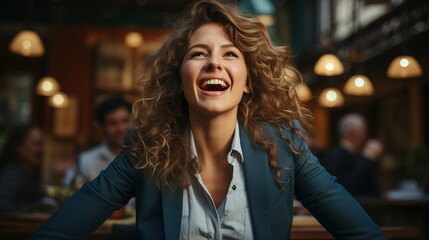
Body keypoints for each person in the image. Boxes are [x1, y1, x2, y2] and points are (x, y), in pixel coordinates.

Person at [32, 0, 386, 239]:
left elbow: (364, 234)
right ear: (180, 80)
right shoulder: (146, 150)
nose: (214, 62)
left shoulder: (285, 145)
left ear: (248, 83)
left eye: (230, 54)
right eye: (199, 54)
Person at [67, 97, 132, 183]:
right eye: (112, 123)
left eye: (125, 121)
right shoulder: (86, 160)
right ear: (101, 127)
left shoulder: (145, 158)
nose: (120, 128)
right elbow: (70, 190)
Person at [322, 113, 384, 196]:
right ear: (352, 133)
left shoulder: (336, 153)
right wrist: (368, 158)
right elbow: (350, 187)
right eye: (363, 132)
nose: (365, 136)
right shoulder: (340, 155)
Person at [0, 124, 46, 214]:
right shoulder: (13, 173)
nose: (41, 149)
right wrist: (30, 208)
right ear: (18, 148)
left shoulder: (28, 172)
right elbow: (1, 204)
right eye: (36, 144)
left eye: (42, 144)